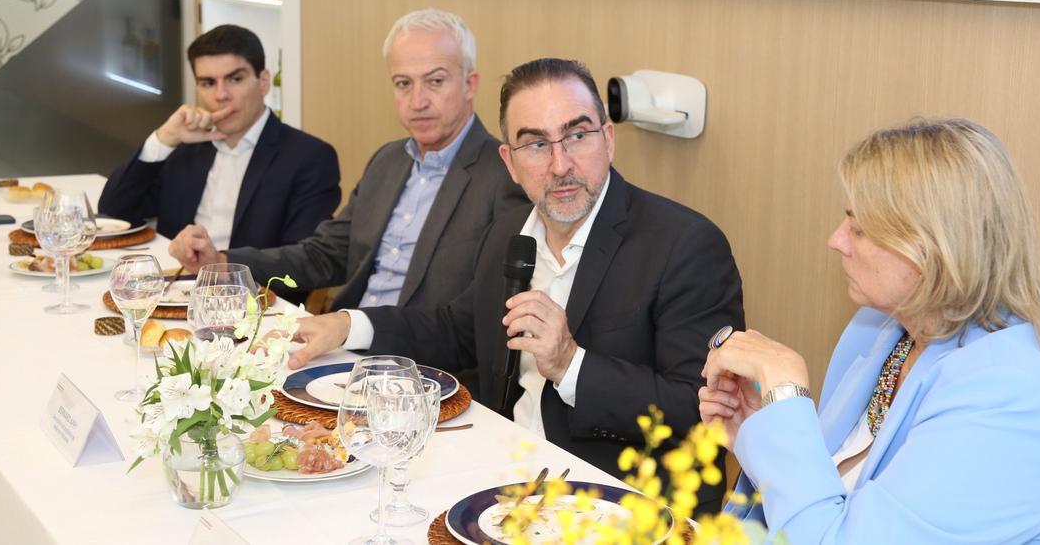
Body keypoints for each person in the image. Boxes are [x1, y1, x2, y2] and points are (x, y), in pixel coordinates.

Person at [288, 58, 744, 509]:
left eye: (577, 136)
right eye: (536, 144)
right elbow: (459, 331)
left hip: (618, 501)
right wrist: (349, 326)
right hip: (500, 472)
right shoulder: (510, 232)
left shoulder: (684, 245)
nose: (560, 164)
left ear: (608, 139)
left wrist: (570, 365)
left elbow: (700, 411)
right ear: (509, 161)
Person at [699, 118, 1040, 543]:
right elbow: (821, 500)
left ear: (935, 245)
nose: (837, 241)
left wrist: (785, 389)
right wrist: (764, 433)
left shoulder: (1011, 397)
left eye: (859, 228)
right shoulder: (880, 331)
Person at [168, 9, 525, 311]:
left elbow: (474, 318)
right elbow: (325, 256)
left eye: (435, 81)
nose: (417, 101)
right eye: (403, 83)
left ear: (470, 84)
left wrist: (356, 329)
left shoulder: (506, 176)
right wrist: (223, 262)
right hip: (347, 343)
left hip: (421, 362)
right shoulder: (387, 162)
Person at [100, 24, 340, 250]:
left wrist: (223, 264)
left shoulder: (309, 157)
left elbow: (303, 261)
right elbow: (115, 213)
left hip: (250, 281)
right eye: (208, 83)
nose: (221, 95)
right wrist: (164, 139)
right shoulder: (184, 147)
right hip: (175, 278)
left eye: (235, 79)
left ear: (264, 82)